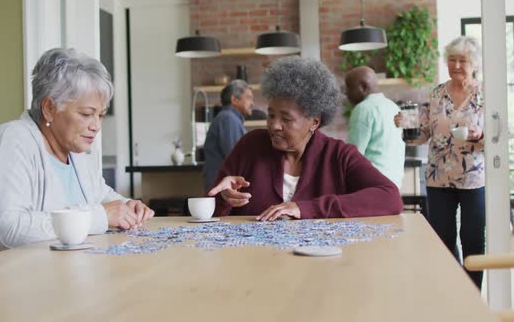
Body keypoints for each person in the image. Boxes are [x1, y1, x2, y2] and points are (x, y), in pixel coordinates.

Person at [0, 48, 154, 256]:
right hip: (1, 279)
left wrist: (129, 207)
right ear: (49, 108)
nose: (96, 126)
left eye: (100, 115)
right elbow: (7, 230)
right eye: (87, 114)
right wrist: (100, 216)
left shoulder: (74, 153)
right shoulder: (10, 140)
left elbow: (103, 197)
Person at [208, 57, 403, 222]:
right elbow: (210, 216)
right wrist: (224, 199)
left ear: (314, 122)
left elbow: (390, 197)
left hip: (320, 262)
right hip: (256, 262)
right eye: (271, 115)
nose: (274, 125)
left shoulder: (339, 156)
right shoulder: (250, 146)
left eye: (286, 118)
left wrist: (307, 209)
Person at [394, 36, 485, 289]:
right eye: (451, 60)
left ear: (474, 63)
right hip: (438, 176)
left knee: (473, 239)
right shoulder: (436, 94)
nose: (455, 65)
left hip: (473, 178)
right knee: (443, 238)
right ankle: (456, 286)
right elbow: (422, 136)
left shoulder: (485, 94)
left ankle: (473, 292)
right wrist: (407, 126)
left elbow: (496, 137)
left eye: (462, 60)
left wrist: (481, 136)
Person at [346, 66, 405, 188]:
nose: (347, 94)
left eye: (349, 88)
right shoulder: (393, 106)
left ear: (363, 87)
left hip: (371, 186)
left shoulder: (363, 109)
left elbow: (353, 156)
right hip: (394, 187)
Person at [202, 80, 254, 191]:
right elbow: (236, 156)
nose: (252, 103)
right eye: (249, 97)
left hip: (223, 186)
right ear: (234, 99)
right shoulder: (228, 119)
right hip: (223, 188)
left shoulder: (229, 118)